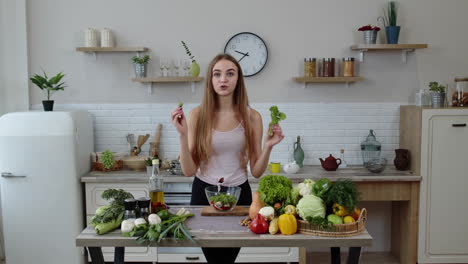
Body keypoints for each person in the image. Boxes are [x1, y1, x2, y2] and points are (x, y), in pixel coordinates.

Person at [170, 54, 284, 264]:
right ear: (211, 80)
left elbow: (257, 171)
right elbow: (188, 171)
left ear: (238, 80)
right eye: (217, 74)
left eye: (230, 74)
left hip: (240, 196)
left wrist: (268, 147)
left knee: (226, 259)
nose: (223, 79)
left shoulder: (252, 117)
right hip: (203, 196)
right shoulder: (197, 115)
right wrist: (182, 135)